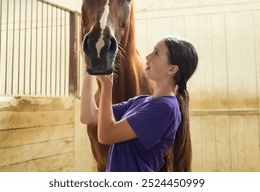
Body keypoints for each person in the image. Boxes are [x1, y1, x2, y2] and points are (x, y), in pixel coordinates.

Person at [80, 36, 198, 172]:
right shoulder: (140, 101)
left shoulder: (165, 108)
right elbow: (88, 116)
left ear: (172, 70)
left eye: (156, 53)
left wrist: (107, 86)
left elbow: (106, 135)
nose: (148, 57)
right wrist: (89, 66)